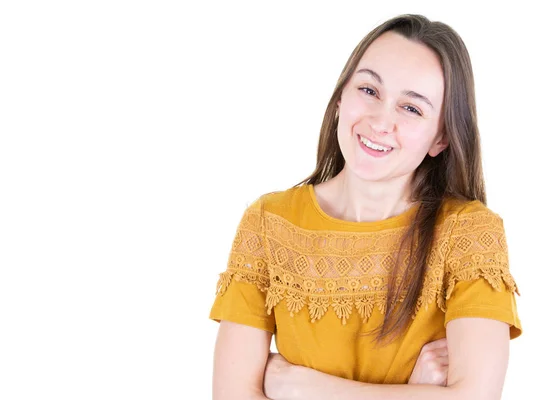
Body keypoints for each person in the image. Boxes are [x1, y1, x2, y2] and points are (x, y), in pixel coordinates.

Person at [209, 13, 522, 399]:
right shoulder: (269, 223)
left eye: (412, 108)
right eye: (369, 90)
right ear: (341, 96)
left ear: (440, 138)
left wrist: (303, 388)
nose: (379, 121)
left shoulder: (469, 233)